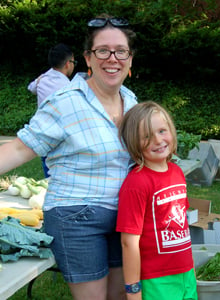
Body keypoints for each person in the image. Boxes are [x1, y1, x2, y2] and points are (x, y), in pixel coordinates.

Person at [0, 15, 137, 300]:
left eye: (120, 51)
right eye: (103, 50)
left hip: (124, 217)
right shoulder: (65, 101)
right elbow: (19, 148)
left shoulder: (131, 101)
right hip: (77, 217)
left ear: (130, 59)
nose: (112, 58)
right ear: (88, 58)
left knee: (122, 297)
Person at [116, 101, 198, 300]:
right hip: (157, 279)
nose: (157, 140)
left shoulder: (177, 172)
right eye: (146, 136)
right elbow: (129, 243)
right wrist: (133, 290)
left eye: (162, 131)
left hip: (186, 274)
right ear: (133, 143)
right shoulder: (136, 183)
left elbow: (181, 226)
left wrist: (190, 269)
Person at [28, 43, 77, 177]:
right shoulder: (69, 87)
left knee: (47, 174)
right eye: (74, 62)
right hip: (62, 137)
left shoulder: (42, 79)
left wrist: (39, 80)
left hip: (43, 133)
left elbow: (31, 88)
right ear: (68, 63)